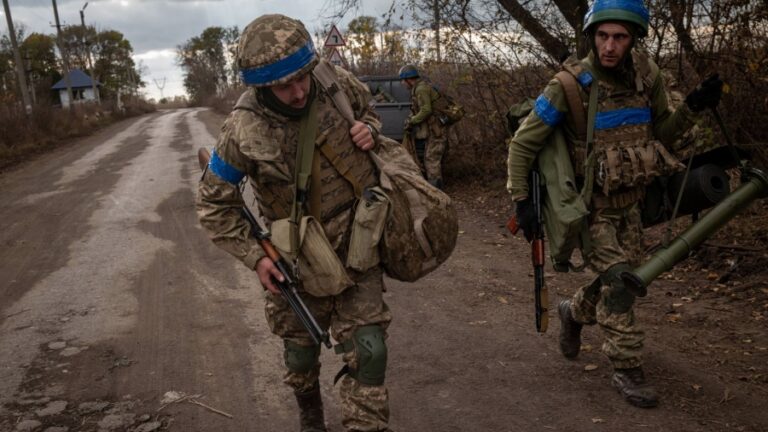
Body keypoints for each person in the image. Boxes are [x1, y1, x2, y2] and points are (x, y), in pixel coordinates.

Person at [506, 0, 723, 408]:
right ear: (592, 36)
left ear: (634, 39)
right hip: (592, 208)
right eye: (602, 36)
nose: (609, 46)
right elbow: (523, 145)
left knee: (627, 277)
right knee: (622, 284)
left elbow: (667, 134)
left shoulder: (647, 76)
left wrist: (693, 107)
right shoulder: (568, 85)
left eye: (619, 37)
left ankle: (574, 311)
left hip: (634, 203)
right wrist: (522, 200)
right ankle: (627, 367)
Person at [196, 14, 393, 432]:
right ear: (262, 85)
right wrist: (255, 258)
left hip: (359, 245)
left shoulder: (334, 82)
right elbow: (215, 204)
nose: (299, 90)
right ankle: (310, 413)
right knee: (301, 353)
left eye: (302, 77)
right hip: (295, 261)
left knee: (370, 351)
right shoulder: (241, 130)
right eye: (284, 86)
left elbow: (370, 113)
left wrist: (369, 131)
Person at [399, 64, 448, 189]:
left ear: (408, 80)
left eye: (403, 81)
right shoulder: (420, 87)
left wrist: (412, 121)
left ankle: (437, 193)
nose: (402, 84)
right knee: (430, 159)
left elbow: (426, 110)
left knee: (431, 160)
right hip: (434, 129)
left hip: (437, 130)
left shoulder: (421, 89)